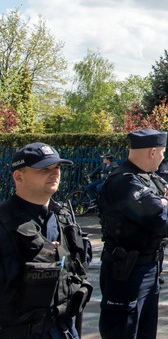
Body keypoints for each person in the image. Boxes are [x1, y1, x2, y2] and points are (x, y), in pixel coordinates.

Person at [97, 129, 168, 339]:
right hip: (127, 269)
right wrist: (166, 204)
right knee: (123, 330)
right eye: (163, 152)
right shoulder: (125, 181)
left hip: (150, 266)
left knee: (146, 331)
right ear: (152, 151)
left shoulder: (150, 178)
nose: (164, 157)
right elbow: (159, 218)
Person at [0, 142, 93, 338]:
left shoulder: (63, 217)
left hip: (63, 328)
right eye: (44, 169)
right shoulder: (4, 221)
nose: (54, 173)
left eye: (57, 167)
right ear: (18, 176)